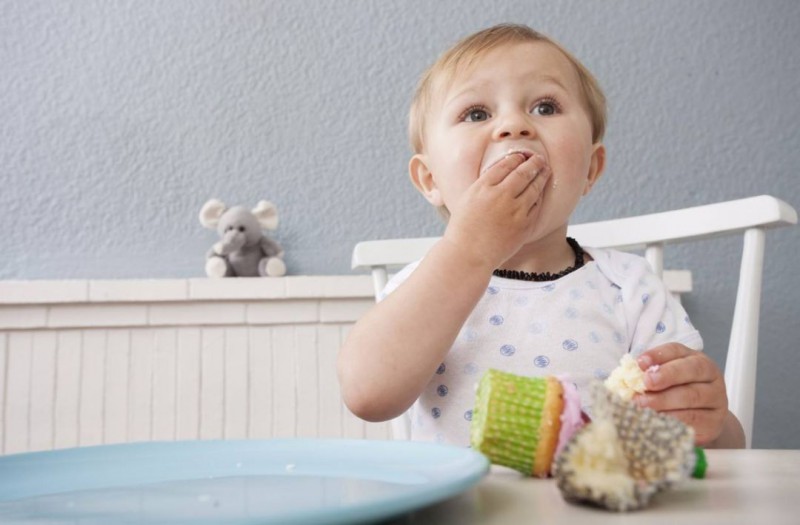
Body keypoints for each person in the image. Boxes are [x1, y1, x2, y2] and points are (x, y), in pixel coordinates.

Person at [337, 23, 745, 449]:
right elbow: (367, 394)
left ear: (590, 168)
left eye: (546, 107)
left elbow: (722, 448)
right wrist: (469, 249)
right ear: (429, 178)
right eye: (477, 113)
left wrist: (710, 424)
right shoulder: (424, 289)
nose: (514, 125)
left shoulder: (630, 288)